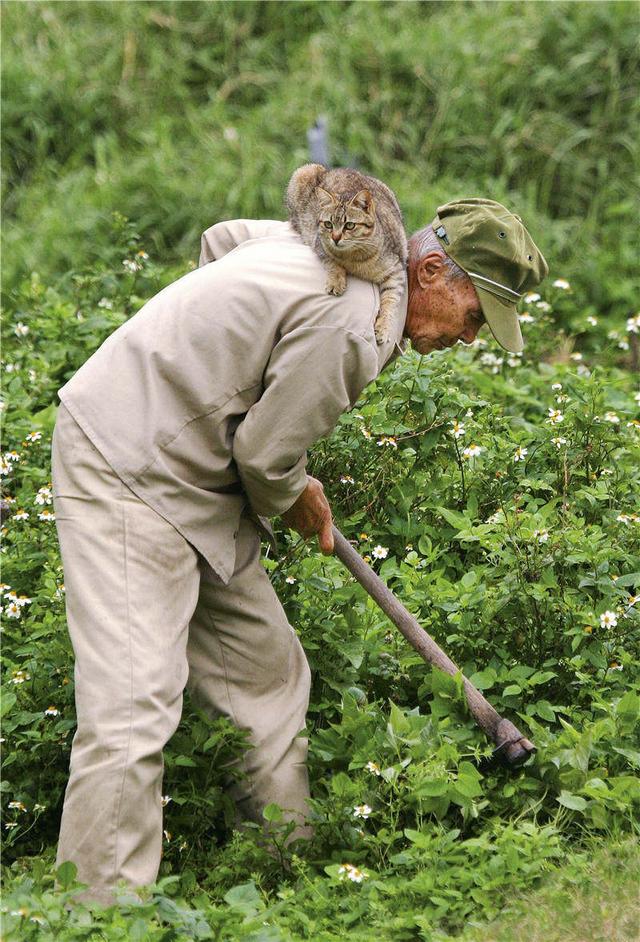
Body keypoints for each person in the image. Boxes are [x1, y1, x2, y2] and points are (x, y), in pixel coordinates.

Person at [51, 197, 548, 904]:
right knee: (133, 701)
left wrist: (224, 368)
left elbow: (222, 239)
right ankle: (96, 913)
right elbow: (263, 455)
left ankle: (289, 880)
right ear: (433, 269)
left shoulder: (326, 247)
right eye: (474, 317)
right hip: (128, 462)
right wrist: (289, 486)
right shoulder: (357, 323)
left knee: (268, 677)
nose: (469, 338)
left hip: (201, 477)